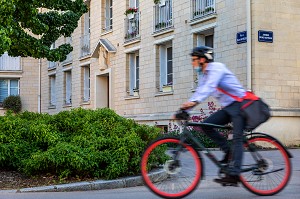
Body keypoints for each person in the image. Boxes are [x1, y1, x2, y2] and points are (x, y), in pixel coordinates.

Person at [174, 46, 246, 185]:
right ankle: (228, 151)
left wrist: (191, 103)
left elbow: (209, 88)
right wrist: (185, 111)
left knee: (237, 138)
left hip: (240, 104)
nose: (192, 63)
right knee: (206, 126)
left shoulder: (217, 68)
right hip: (229, 107)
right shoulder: (204, 75)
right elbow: (199, 92)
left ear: (202, 59)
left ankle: (235, 174)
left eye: (194, 59)